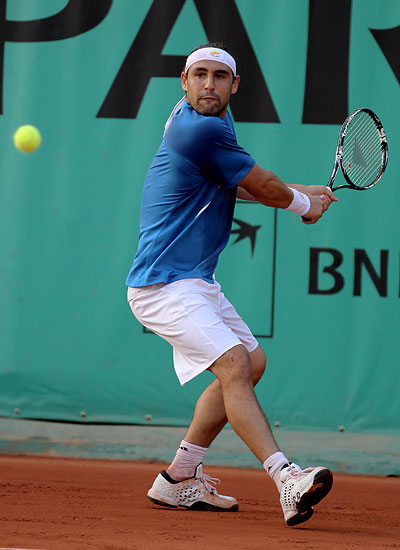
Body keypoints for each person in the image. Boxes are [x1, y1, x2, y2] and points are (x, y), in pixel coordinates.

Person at [126, 42, 338, 527]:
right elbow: (261, 185)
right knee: (234, 364)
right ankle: (286, 478)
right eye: (199, 75)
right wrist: (302, 205)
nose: (208, 84)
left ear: (234, 84)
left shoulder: (213, 121)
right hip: (162, 285)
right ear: (183, 81)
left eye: (219, 76)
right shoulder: (199, 127)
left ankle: (179, 477)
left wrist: (298, 191)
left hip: (193, 280)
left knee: (251, 363)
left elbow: (234, 182)